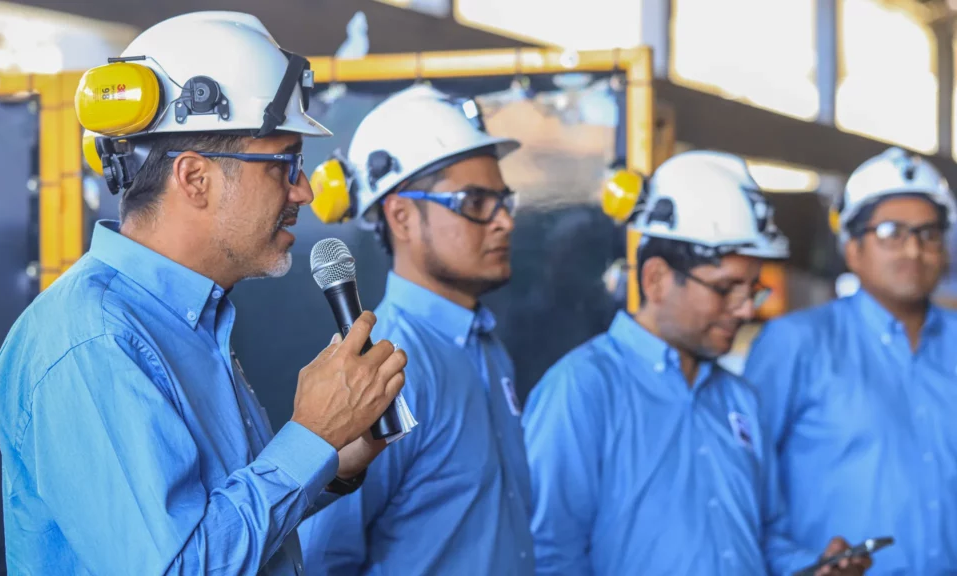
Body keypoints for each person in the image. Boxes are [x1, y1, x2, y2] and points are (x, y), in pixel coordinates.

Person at [0, 12, 408, 575]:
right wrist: (310, 437)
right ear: (194, 179)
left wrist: (329, 462)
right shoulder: (91, 341)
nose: (303, 190)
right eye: (286, 163)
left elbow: (218, 529)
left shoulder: (188, 320)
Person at [522, 150, 871, 576]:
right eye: (725, 289)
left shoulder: (739, 399)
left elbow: (761, 535)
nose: (745, 310)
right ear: (656, 279)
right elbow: (549, 555)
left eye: (751, 289)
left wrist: (813, 566)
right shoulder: (582, 391)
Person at [298, 84, 534, 574]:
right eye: (475, 201)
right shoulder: (381, 367)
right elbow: (320, 560)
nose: (504, 221)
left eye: (503, 200)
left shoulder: (487, 348)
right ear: (402, 216)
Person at [745, 146, 957, 575]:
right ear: (853, 247)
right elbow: (743, 485)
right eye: (891, 232)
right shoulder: (796, 344)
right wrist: (801, 565)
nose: (914, 250)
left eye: (928, 234)